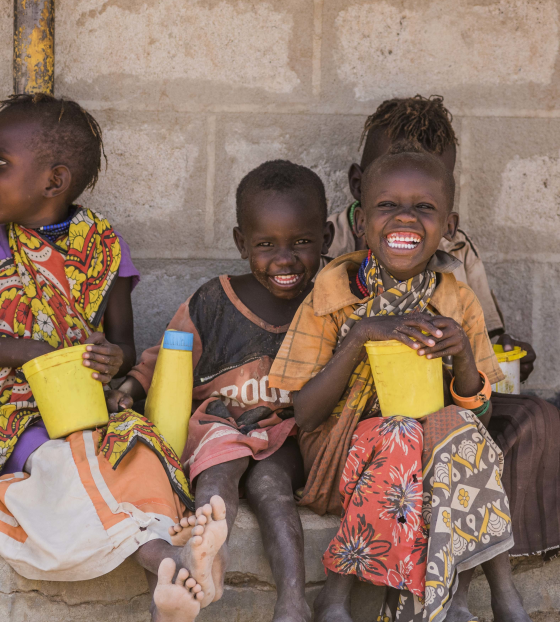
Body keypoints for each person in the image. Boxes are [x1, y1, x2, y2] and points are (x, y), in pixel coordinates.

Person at [270, 145, 530, 622]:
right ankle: (337, 594)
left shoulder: (456, 300)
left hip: (434, 458)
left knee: (461, 432)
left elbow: (482, 416)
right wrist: (362, 335)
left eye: (424, 208)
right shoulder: (332, 295)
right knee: (400, 432)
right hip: (340, 458)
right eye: (387, 206)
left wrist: (463, 357)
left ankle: (497, 594)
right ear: (363, 220)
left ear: (448, 227)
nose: (404, 218)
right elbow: (304, 415)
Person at [0, 93, 226, 622]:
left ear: (53, 181)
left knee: (140, 452)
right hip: (13, 412)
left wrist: (111, 358)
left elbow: (123, 343)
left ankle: (172, 575)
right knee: (68, 462)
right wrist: (29, 354)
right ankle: (169, 561)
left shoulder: (101, 246)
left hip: (86, 398)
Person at [326, 95, 560, 562]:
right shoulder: (325, 241)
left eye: (427, 187)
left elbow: (485, 343)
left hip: (448, 400)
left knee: (538, 417)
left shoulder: (454, 247)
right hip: (358, 407)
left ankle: (498, 558)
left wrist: (505, 349)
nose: (406, 213)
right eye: (390, 182)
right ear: (360, 182)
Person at [108, 160, 334, 622]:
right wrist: (129, 387)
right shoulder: (214, 299)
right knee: (215, 474)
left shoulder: (331, 300)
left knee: (273, 488)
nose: (285, 258)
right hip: (221, 422)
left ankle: (292, 603)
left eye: (303, 242)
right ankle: (209, 562)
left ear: (327, 238)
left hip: (287, 431)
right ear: (240, 243)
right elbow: (168, 356)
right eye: (266, 244)